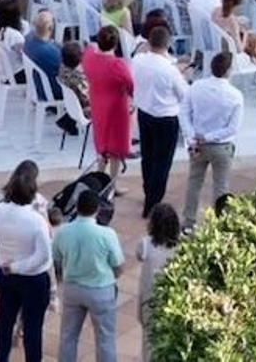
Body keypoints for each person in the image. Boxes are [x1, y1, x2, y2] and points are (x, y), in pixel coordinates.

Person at [0, 164, 53, 362]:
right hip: (33, 279)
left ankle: (0, 359)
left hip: (7, 276)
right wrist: (18, 265)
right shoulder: (36, 221)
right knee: (32, 327)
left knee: (4, 323)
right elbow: (44, 257)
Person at [53, 187, 125, 362]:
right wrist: (111, 278)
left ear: (77, 207)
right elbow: (119, 265)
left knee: (68, 336)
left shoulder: (62, 231)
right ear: (97, 210)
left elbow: (57, 261)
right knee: (105, 339)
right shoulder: (107, 234)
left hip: (73, 289)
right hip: (101, 290)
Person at [182, 51, 244, 229]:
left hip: (197, 145)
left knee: (194, 183)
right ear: (228, 70)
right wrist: (206, 137)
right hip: (221, 147)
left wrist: (191, 136)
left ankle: (188, 222)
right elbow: (232, 128)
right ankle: (220, 225)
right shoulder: (235, 95)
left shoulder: (196, 87)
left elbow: (184, 112)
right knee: (221, 186)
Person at [132, 26, 187, 219]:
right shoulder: (169, 70)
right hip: (165, 118)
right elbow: (184, 95)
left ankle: (149, 191)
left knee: (148, 156)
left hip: (145, 113)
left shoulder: (138, 61)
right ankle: (153, 202)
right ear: (167, 45)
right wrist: (182, 75)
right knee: (162, 162)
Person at [83, 26, 134, 194]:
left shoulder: (89, 56)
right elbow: (130, 84)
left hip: (98, 104)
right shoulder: (117, 64)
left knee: (102, 144)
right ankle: (112, 184)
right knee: (116, 149)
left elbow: (90, 47)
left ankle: (99, 180)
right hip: (116, 108)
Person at [135, 203, 180, 362]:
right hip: (172, 299)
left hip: (149, 297)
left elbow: (139, 256)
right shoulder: (180, 246)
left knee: (148, 339)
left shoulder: (145, 244)